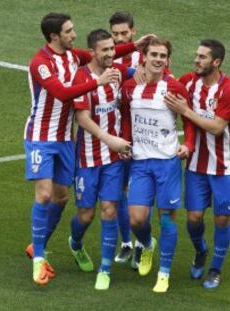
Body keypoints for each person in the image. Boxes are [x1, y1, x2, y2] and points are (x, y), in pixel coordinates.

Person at [24, 12, 140, 285]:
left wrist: (137, 45)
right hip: (41, 138)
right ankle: (39, 257)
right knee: (43, 195)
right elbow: (62, 93)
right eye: (68, 31)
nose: (73, 35)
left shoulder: (73, 56)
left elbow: (102, 52)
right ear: (54, 36)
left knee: (61, 198)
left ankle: (37, 246)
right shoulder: (40, 63)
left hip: (66, 139)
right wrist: (96, 83)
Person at [164, 39, 230, 289]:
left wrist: (186, 111)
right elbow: (165, 81)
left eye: (202, 57)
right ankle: (200, 250)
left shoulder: (228, 90)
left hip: (223, 166)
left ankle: (215, 269)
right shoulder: (188, 82)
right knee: (194, 217)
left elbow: (217, 128)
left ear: (216, 62)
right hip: (196, 165)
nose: (196, 60)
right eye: (196, 55)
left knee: (221, 219)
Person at [120, 37, 195, 293]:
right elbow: (127, 117)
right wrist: (126, 142)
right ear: (144, 57)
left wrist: (189, 146)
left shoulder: (175, 88)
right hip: (140, 162)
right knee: (136, 219)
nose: (158, 59)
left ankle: (164, 273)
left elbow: (188, 121)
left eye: (163, 56)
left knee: (167, 219)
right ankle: (147, 245)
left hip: (167, 163)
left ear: (168, 60)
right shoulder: (130, 88)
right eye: (154, 54)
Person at [68, 29, 131, 290]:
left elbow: (139, 75)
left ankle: (104, 268)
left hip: (113, 159)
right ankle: (75, 243)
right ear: (91, 52)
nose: (110, 54)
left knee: (109, 210)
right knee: (85, 214)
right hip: (87, 158)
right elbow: (82, 118)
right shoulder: (82, 78)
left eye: (112, 48)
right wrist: (110, 140)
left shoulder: (116, 72)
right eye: (104, 50)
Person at [109, 11, 145, 268]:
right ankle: (126, 243)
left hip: (142, 136)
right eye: (115, 34)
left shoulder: (148, 57)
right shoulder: (107, 56)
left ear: (133, 32)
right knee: (120, 191)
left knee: (140, 193)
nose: (120, 38)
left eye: (124, 33)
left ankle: (143, 245)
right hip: (116, 136)